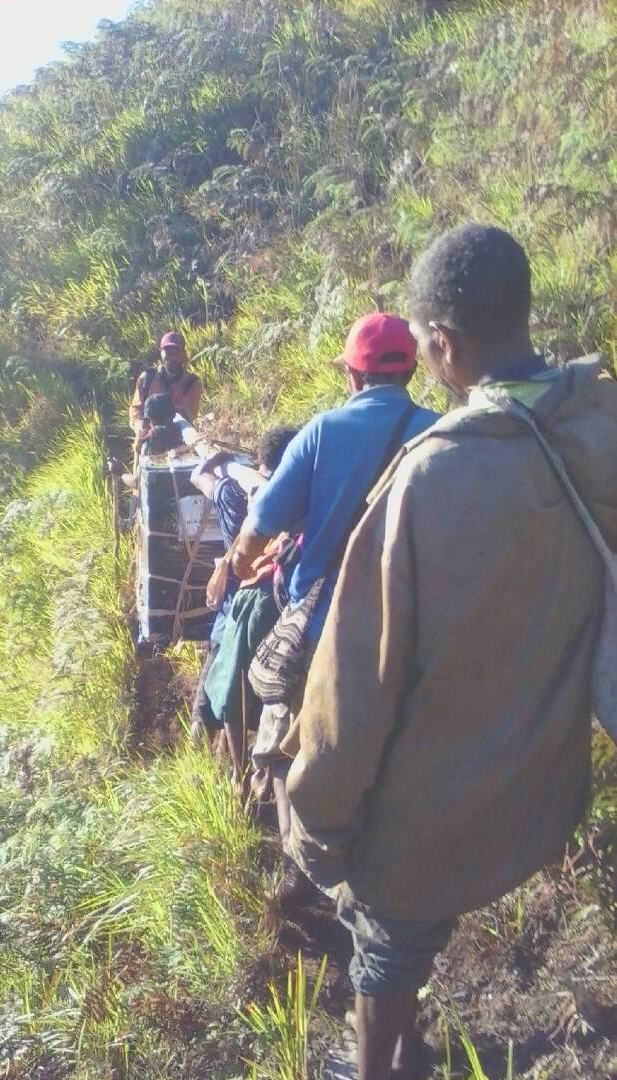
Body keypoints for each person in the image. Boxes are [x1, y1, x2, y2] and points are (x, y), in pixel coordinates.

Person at [284, 224, 617, 1080]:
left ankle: (383, 1065)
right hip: (545, 785)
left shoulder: (431, 479)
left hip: (437, 803)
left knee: (386, 938)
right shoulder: (601, 421)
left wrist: (317, 820)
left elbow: (354, 686)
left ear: (444, 343)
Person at [231, 314, 439, 905]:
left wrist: (240, 566)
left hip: (324, 630)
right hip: (412, 631)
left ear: (352, 375)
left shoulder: (323, 432)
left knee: (284, 746)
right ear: (412, 371)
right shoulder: (440, 434)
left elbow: (258, 529)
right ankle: (389, 869)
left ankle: (304, 872)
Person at [189, 427, 298, 781]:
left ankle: (226, 771)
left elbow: (198, 476)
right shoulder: (300, 495)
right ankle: (249, 767)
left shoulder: (232, 492)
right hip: (284, 600)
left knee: (225, 682)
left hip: (243, 600)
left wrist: (217, 459)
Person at [129, 331, 203, 435]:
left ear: (183, 354)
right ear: (161, 352)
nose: (172, 357)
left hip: (178, 438)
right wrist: (139, 425)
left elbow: (188, 416)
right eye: (168, 352)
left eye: (176, 352)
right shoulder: (146, 378)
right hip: (147, 437)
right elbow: (136, 409)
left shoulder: (191, 383)